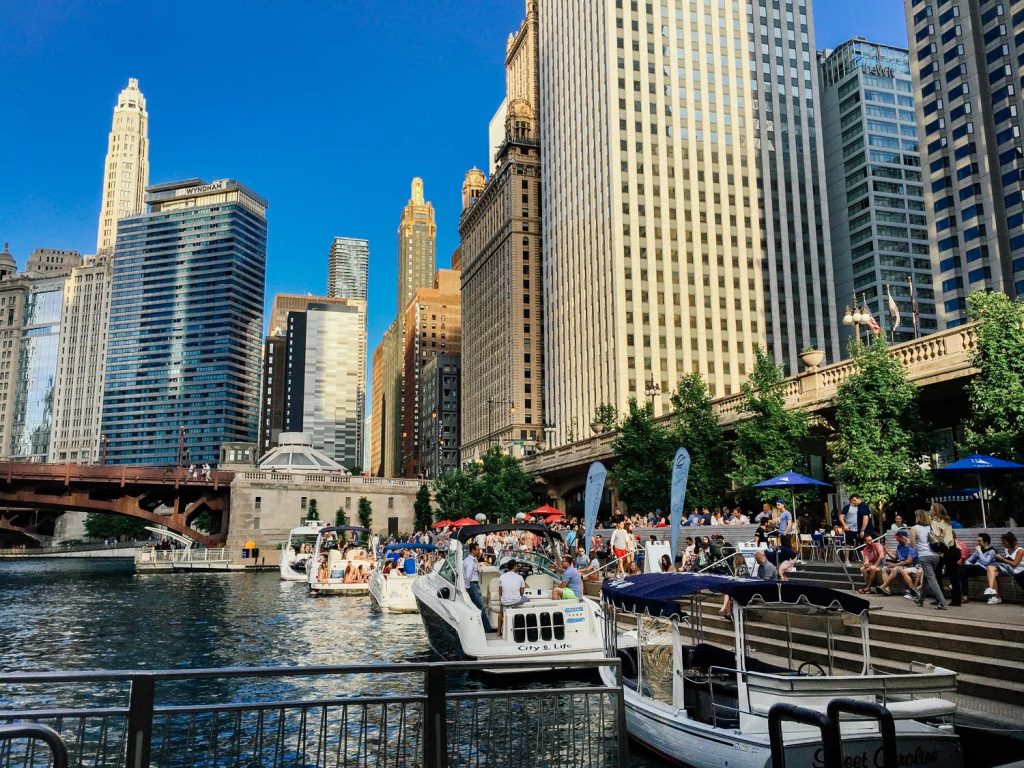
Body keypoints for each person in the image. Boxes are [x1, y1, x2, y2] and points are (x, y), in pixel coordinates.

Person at [910, 510, 947, 609]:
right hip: (935, 556)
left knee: (931, 579)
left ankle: (942, 602)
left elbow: (912, 545)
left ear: (918, 517)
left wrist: (907, 540)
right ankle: (920, 600)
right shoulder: (931, 527)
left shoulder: (914, 528)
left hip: (924, 556)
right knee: (926, 579)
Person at [929, 503, 960, 606]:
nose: (930, 512)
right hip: (952, 549)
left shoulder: (934, 522)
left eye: (931, 510)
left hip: (943, 550)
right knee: (953, 575)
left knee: (937, 573)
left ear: (936, 512)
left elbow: (937, 536)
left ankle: (939, 598)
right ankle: (956, 600)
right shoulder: (947, 521)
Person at [984, 532, 1024, 605]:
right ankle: (996, 597)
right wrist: (999, 559)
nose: (1003, 544)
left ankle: (992, 591)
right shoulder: (1007, 549)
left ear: (1011, 542)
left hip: (1018, 570)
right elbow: (1007, 562)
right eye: (1003, 543)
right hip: (1009, 568)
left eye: (1005, 543)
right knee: (991, 571)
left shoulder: (1020, 550)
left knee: (991, 569)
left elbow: (1015, 564)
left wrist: (1002, 559)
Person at [875, 530, 918, 596]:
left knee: (896, 569)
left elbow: (909, 561)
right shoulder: (899, 545)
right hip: (901, 565)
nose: (896, 539)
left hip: (910, 565)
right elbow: (895, 557)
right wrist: (887, 551)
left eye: (897, 537)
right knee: (884, 568)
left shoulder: (910, 546)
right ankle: (887, 589)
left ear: (902, 537)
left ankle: (883, 586)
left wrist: (895, 565)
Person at [463, 543, 494, 632]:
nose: (479, 551)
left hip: (474, 585)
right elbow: (468, 575)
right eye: (477, 550)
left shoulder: (472, 560)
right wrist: (467, 586)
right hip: (473, 585)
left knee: (479, 606)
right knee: (481, 607)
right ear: (473, 550)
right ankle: (487, 628)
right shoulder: (470, 561)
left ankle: (484, 627)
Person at [959, 533, 996, 602]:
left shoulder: (992, 551)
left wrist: (979, 551)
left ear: (986, 542)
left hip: (985, 569)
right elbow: (968, 560)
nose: (978, 543)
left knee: (962, 569)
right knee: (963, 573)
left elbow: (985, 562)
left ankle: (953, 586)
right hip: (976, 568)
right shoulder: (979, 550)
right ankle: (965, 596)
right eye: (977, 541)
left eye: (980, 541)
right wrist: (970, 564)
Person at [497, 560, 528, 634]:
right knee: (527, 599)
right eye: (516, 565)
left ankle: (498, 631)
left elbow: (500, 592)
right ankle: (525, 626)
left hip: (505, 602)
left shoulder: (501, 576)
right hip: (516, 601)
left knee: (501, 609)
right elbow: (522, 592)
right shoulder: (520, 577)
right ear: (514, 566)